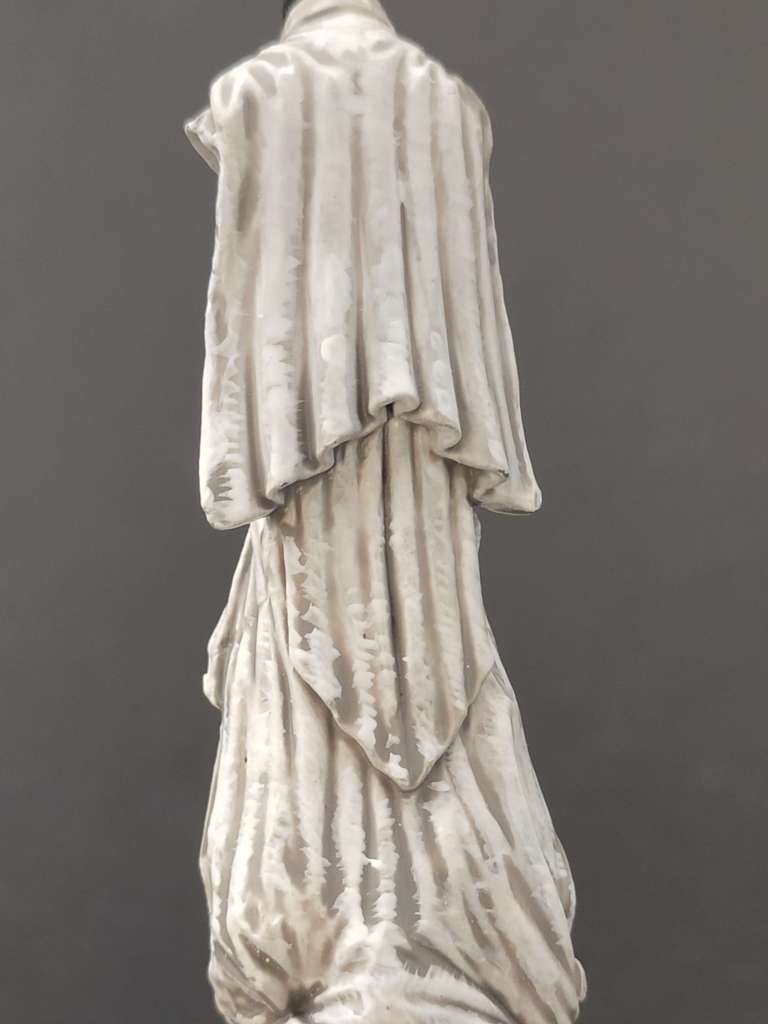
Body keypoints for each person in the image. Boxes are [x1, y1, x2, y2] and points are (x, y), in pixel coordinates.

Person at [184, 2, 587, 1021]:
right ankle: (400, 932)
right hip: (381, 495)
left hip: (345, 483)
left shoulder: (264, 92)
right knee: (399, 684)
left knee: (356, 691)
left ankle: (373, 934)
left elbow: (254, 346)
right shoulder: (445, 101)